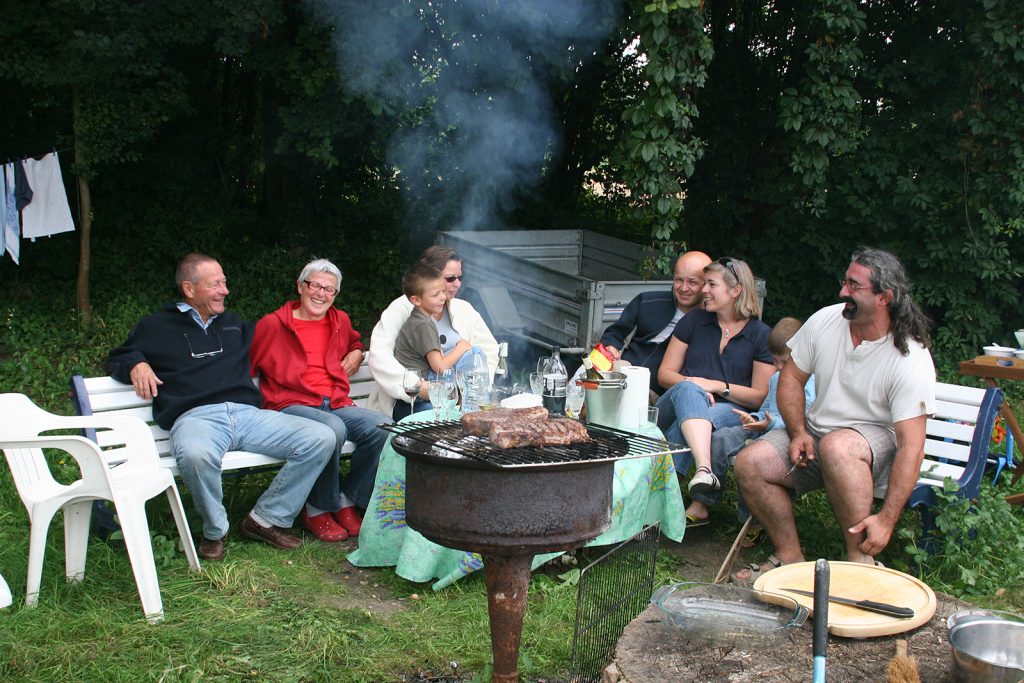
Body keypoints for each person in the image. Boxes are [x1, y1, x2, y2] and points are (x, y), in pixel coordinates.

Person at [106, 253, 336, 561]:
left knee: (321, 437)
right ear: (189, 288)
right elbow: (118, 356)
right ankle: (215, 530)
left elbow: (291, 335)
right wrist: (136, 363)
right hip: (196, 417)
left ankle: (265, 519)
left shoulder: (234, 325)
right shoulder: (156, 326)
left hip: (248, 414)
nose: (225, 290)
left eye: (224, 283)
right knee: (197, 455)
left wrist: (354, 348)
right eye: (215, 284)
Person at [732, 248, 935, 584]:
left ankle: (860, 564)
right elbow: (791, 378)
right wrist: (797, 431)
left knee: (838, 446)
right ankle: (789, 558)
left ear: (885, 296)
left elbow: (912, 447)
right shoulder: (827, 320)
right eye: (845, 281)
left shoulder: (909, 357)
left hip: (874, 444)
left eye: (855, 286)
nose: (843, 292)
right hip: (818, 436)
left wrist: (885, 520)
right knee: (750, 462)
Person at [249, 258, 392, 543]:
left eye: (330, 290)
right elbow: (247, 367)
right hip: (291, 405)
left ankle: (348, 497)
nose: (322, 294)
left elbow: (354, 341)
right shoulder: (273, 325)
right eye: (316, 286)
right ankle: (317, 506)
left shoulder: (339, 320)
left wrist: (357, 350)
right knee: (331, 429)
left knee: (385, 427)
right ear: (301, 286)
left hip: (335, 402)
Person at [654, 257, 775, 509]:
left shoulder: (761, 335)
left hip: (728, 410)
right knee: (689, 392)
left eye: (711, 284)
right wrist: (695, 387)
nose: (704, 291)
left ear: (735, 291)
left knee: (688, 423)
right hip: (675, 401)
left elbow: (760, 396)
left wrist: (718, 386)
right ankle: (704, 469)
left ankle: (663, 500)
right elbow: (665, 374)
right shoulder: (694, 321)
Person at [686, 317, 816, 528]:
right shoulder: (775, 378)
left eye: (784, 361)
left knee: (751, 459)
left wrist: (769, 424)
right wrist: (754, 418)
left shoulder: (810, 381)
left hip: (786, 434)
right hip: (762, 427)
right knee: (719, 438)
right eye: (774, 361)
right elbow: (765, 410)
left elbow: (803, 421)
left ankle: (752, 521)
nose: (778, 367)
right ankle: (704, 501)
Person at [368, 245, 498, 419]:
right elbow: (379, 357)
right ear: (431, 276)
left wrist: (475, 392)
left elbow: (488, 350)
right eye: (450, 278)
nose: (457, 283)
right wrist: (419, 387)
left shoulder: (464, 308)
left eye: (460, 277)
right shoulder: (403, 308)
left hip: (455, 401)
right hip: (411, 402)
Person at [600, 250, 712, 395]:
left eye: (692, 282)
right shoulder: (648, 302)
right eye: (678, 280)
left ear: (707, 284)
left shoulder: (710, 321)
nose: (683, 288)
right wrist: (611, 346)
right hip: (623, 374)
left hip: (663, 393)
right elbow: (615, 333)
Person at [392, 261, 477, 417]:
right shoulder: (423, 325)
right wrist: (462, 346)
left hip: (424, 396)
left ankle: (466, 401)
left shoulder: (422, 320)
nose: (442, 297)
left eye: (442, 292)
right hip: (416, 400)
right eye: (435, 295)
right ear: (416, 300)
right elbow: (440, 367)